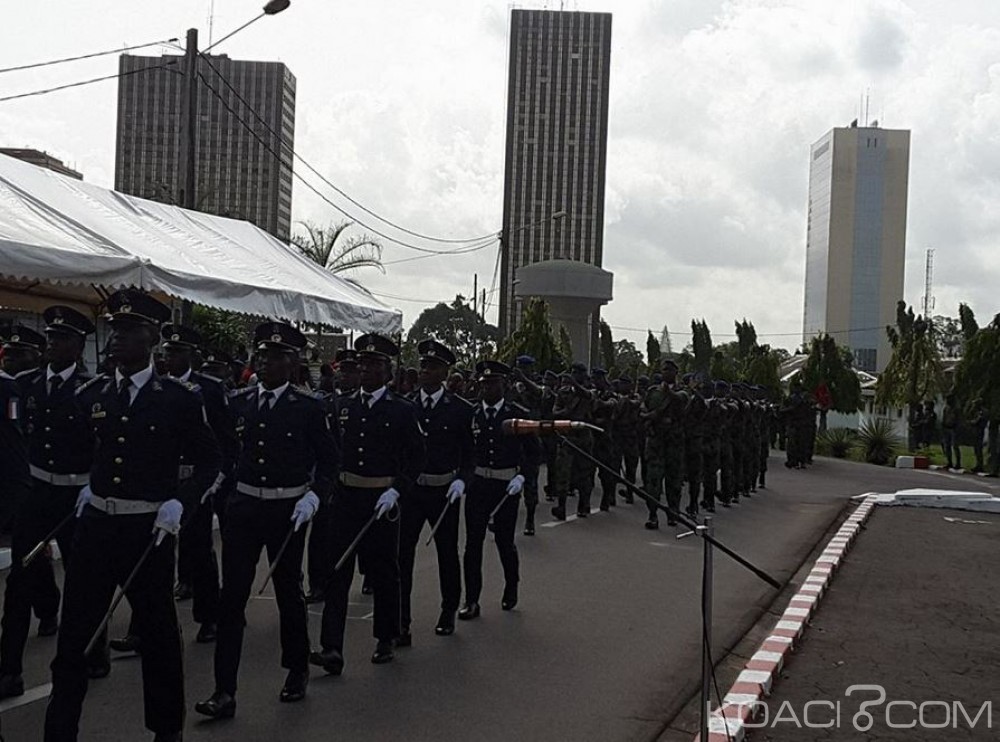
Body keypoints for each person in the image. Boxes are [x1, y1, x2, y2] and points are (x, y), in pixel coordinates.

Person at [45, 289, 221, 742]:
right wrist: (85, 485)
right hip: (96, 527)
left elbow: (210, 461)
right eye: (114, 329)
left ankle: (166, 730)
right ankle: (59, 731)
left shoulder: (178, 398)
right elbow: (75, 449)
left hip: (148, 530)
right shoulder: (93, 393)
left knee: (158, 636)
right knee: (74, 636)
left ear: (152, 338)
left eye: (128, 330)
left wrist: (182, 501)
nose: (117, 338)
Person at [195, 321, 337, 719]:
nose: (265, 363)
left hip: (286, 509)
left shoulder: (309, 407)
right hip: (243, 507)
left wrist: (315, 496)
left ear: (292, 363)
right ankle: (224, 690)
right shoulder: (239, 402)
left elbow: (329, 461)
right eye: (261, 356)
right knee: (231, 598)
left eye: (275, 357)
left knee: (288, 592)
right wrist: (216, 482)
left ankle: (296, 668)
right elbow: (224, 450)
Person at [311, 334, 424, 674]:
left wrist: (397, 490)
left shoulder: (402, 410)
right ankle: (331, 647)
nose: (366, 370)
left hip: (382, 499)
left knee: (384, 569)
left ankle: (386, 636)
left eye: (374, 365)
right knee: (337, 570)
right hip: (346, 497)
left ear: (388, 371)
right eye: (362, 364)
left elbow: (416, 457)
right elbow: (330, 451)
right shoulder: (342, 406)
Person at [1, 308, 99, 700]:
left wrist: (95, 486)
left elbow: (104, 443)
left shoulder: (91, 389)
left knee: (83, 578)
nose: (54, 344)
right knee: (19, 579)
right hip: (37, 492)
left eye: (63, 339)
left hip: (77, 495)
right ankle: (9, 669)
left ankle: (94, 649)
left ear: (78, 347)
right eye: (52, 338)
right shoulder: (26, 384)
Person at [397, 339, 474, 643]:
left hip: (444, 491)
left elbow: (470, 456)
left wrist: (462, 481)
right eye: (423, 365)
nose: (425, 371)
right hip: (412, 491)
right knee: (402, 555)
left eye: (432, 367)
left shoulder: (460, 410)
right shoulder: (406, 406)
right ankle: (401, 621)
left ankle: (448, 610)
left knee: (447, 553)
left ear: (445, 372)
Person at [458, 360, 539, 619]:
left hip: (506, 486)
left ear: (504, 385)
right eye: (484, 384)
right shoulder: (472, 414)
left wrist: (522, 477)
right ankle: (472, 600)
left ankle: (511, 585)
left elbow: (534, 453)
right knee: (473, 544)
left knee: (505, 542)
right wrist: (462, 478)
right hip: (478, 485)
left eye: (493, 383)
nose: (487, 388)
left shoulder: (517, 415)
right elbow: (464, 450)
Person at [940, 393, 962, 470]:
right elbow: (944, 418)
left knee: (955, 446)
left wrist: (956, 426)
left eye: (949, 399)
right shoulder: (946, 408)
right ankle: (949, 462)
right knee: (947, 446)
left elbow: (959, 419)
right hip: (946, 428)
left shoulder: (956, 409)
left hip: (954, 429)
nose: (947, 401)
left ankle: (958, 463)